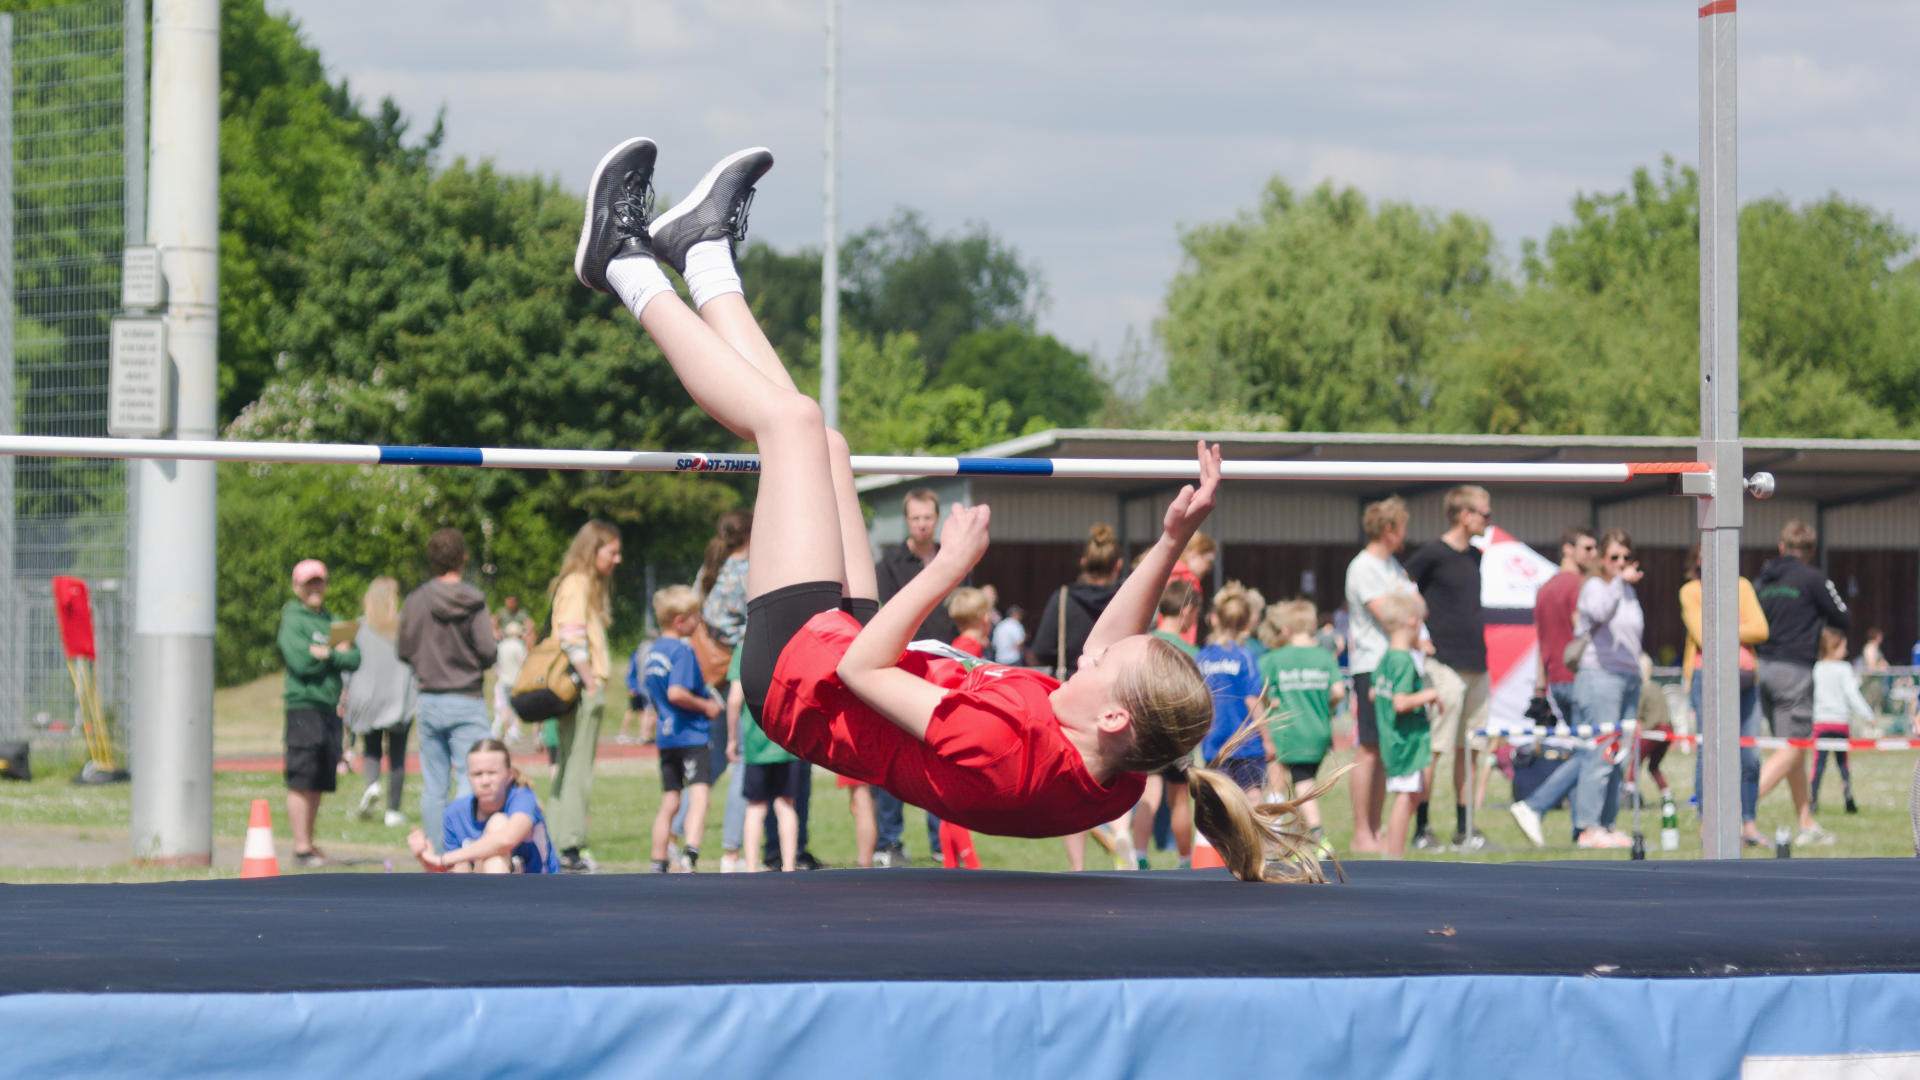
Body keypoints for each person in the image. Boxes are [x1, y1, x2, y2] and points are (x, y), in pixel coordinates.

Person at [573, 136, 1331, 882]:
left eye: (1102, 663)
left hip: (804, 678)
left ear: (1112, 718)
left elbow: (858, 666)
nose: (1093, 649)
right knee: (827, 445)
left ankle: (624, 263)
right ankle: (701, 251)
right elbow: (1114, 643)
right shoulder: (1118, 765)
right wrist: (1170, 540)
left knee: (790, 427)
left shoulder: (1009, 751)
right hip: (866, 653)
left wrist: (946, 569)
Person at [1031, 523, 1128, 871]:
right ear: (1118, 565)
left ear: (1084, 561)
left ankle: (1077, 865)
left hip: (1072, 692)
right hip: (1118, 695)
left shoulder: (1063, 598)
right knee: (1118, 771)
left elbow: (1041, 648)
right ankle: (1122, 831)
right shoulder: (1123, 599)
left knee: (1073, 777)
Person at [397, 529, 498, 855]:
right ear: (464, 557)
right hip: (466, 698)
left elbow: (403, 649)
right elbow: (488, 651)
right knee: (472, 778)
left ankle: (439, 856)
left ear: (432, 560)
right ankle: (463, 852)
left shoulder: (415, 601)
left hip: (429, 699)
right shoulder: (474, 600)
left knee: (434, 786)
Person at [1403, 485, 1492, 851]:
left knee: (1471, 748)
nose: (1488, 520)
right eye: (1484, 513)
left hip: (1477, 663)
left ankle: (1464, 827)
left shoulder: (1476, 555)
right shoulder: (1432, 554)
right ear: (1464, 514)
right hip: (1444, 663)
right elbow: (1402, 589)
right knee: (1436, 749)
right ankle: (1421, 829)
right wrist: (1416, 636)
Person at [871, 488, 956, 867]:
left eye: (927, 518)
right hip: (902, 665)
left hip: (944, 668)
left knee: (941, 753)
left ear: (936, 519)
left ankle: (941, 841)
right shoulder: (889, 563)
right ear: (907, 521)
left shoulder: (951, 559)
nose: (922, 524)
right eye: (915, 518)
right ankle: (890, 841)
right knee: (894, 752)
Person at [1754, 519, 1849, 847]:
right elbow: (1843, 616)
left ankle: (1806, 824)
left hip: (1760, 668)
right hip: (1793, 671)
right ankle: (1738, 814)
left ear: (1781, 546)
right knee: (1794, 746)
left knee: (1792, 748)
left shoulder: (1761, 579)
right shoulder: (1813, 578)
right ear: (1810, 551)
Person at [545, 519, 623, 872]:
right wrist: (592, 683)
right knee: (577, 768)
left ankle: (556, 840)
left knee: (567, 765)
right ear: (594, 550)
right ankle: (570, 844)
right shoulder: (578, 584)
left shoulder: (575, 583)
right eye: (613, 551)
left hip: (575, 686)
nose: (617, 559)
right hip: (581, 685)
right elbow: (572, 636)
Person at [1678, 544, 1768, 848]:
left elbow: (1762, 629)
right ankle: (1708, 824)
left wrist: (1722, 626)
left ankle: (1749, 825)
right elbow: (1704, 635)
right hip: (1708, 677)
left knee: (1750, 755)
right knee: (1710, 751)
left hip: (1746, 679)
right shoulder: (1690, 591)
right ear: (1698, 560)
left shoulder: (1742, 585)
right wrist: (1740, 627)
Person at [276, 559, 361, 867]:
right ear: (297, 587)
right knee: (302, 775)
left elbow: (354, 658)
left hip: (329, 707)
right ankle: (301, 847)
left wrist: (326, 654)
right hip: (304, 705)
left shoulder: (333, 619)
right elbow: (300, 662)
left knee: (321, 776)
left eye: (319, 582)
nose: (314, 588)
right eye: (308, 583)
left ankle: (309, 844)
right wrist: (333, 653)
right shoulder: (293, 618)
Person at [1343, 495, 1415, 853]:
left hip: (1394, 660)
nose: (1406, 534)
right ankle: (1362, 832)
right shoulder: (1364, 567)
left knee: (1384, 750)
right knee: (1369, 748)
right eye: (1402, 526)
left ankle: (1374, 829)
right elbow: (1393, 614)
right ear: (1389, 529)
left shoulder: (1392, 566)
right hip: (1372, 665)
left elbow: (1411, 611)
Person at [1563, 528, 1643, 849]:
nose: (1621, 563)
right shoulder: (1596, 587)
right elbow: (1599, 613)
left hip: (1627, 677)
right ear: (1601, 560)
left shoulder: (1627, 591)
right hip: (1600, 676)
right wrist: (1620, 581)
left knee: (1618, 755)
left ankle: (1607, 825)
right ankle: (1587, 826)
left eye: (1626, 557)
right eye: (1614, 557)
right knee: (1600, 752)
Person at [697, 509, 757, 874]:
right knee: (742, 762)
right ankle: (731, 851)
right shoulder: (752, 571)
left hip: (713, 671)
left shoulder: (711, 570)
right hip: (741, 664)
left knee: (715, 760)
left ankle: (677, 838)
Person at [645, 584, 722, 872]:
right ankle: (691, 852)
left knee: (670, 800)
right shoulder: (682, 651)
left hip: (666, 736)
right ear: (680, 621)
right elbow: (677, 692)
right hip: (691, 734)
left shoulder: (653, 653)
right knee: (700, 793)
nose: (699, 621)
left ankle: (658, 859)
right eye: (695, 616)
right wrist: (707, 707)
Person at [1258, 599, 1345, 851]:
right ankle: (1297, 843)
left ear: (1284, 629)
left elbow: (1257, 686)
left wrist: (1269, 701)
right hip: (1318, 730)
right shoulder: (1323, 657)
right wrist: (1326, 706)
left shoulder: (1276, 658)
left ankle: (1312, 837)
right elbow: (1338, 691)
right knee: (1301, 783)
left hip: (1287, 730)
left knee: (1290, 782)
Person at [407, 738, 558, 874]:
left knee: (498, 823)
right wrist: (426, 859)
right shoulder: (454, 814)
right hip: (485, 892)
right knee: (485, 857)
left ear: (509, 775)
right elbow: (459, 877)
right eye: (477, 774)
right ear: (468, 777)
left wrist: (444, 859)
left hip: (539, 891)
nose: (485, 781)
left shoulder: (523, 798)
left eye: (492, 773)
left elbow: (507, 838)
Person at [1133, 578, 1201, 866]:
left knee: (1150, 791)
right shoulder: (1192, 653)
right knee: (1180, 797)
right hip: (1179, 732)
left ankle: (1139, 856)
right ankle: (1185, 860)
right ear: (1187, 611)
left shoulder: (1144, 644)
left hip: (1147, 726)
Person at [342, 576, 417, 829]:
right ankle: (393, 810)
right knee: (397, 756)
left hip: (366, 700)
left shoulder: (356, 627)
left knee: (371, 748)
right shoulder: (406, 629)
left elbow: (344, 665)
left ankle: (371, 785)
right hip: (399, 700)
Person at [726, 650, 808, 872]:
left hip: (756, 743)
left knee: (755, 806)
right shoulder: (789, 644)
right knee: (786, 805)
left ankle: (752, 867)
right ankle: (789, 866)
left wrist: (732, 737)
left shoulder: (744, 648)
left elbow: (735, 698)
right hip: (787, 741)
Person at [1374, 591, 1439, 858]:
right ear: (1413, 622)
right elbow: (1400, 702)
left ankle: (1392, 854)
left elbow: (1373, 693)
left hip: (1391, 736)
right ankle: (1394, 858)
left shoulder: (1387, 657)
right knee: (1407, 797)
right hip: (1405, 740)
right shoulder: (1402, 660)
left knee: (1408, 794)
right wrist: (1430, 694)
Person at [1198, 587, 1266, 794]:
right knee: (1253, 797)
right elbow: (1252, 700)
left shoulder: (1202, 657)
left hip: (1214, 742)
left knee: (1219, 799)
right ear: (1246, 624)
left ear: (1215, 620)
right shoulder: (1245, 656)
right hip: (1247, 742)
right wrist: (1267, 737)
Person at [1811, 627, 1870, 816]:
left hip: (1820, 722)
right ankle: (1848, 795)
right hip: (1840, 723)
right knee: (1843, 764)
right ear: (1833, 647)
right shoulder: (1844, 669)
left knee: (1818, 764)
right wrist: (1868, 715)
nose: (1846, 652)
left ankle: (1813, 798)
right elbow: (1852, 695)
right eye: (1843, 647)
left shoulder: (1816, 668)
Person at [491, 596, 531, 740]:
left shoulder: (501, 646)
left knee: (505, 708)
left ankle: (507, 732)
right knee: (515, 707)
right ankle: (513, 731)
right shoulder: (519, 646)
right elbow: (523, 663)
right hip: (516, 680)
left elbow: (496, 664)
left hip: (504, 680)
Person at [1166, 533, 1215, 645]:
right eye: (1209, 562)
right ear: (1195, 553)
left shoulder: (1167, 575)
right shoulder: (1190, 581)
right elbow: (1188, 626)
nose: (1209, 569)